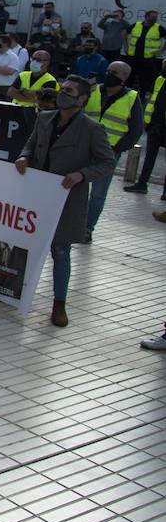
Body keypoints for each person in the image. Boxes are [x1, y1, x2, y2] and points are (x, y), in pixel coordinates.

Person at [15, 75, 115, 327]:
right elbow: (31, 144)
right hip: (37, 192)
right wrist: (24, 157)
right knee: (25, 244)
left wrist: (82, 174)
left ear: (81, 99)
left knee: (60, 250)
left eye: (69, 91)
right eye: (62, 89)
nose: (62, 94)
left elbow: (107, 162)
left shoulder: (92, 129)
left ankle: (59, 303)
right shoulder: (44, 118)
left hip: (66, 197)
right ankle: (11, 288)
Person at [82, 61, 143, 242]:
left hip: (107, 154)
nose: (109, 74)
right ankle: (70, 224)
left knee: (98, 194)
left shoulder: (132, 98)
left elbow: (136, 130)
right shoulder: (93, 90)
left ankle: (87, 229)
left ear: (124, 77)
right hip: (82, 148)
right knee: (73, 188)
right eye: (108, 70)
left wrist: (117, 148)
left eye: (114, 72)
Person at [125, 55, 166, 197]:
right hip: (155, 125)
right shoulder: (160, 80)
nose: (163, 68)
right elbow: (153, 100)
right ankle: (142, 183)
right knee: (149, 157)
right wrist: (148, 121)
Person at [125, 9, 162, 92]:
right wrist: (125, 46)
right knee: (130, 77)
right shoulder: (136, 25)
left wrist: (161, 50)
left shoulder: (158, 27)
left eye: (156, 17)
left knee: (145, 79)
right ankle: (127, 93)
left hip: (148, 58)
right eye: (153, 17)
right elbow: (124, 33)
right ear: (146, 17)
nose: (155, 19)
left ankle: (143, 95)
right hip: (133, 56)